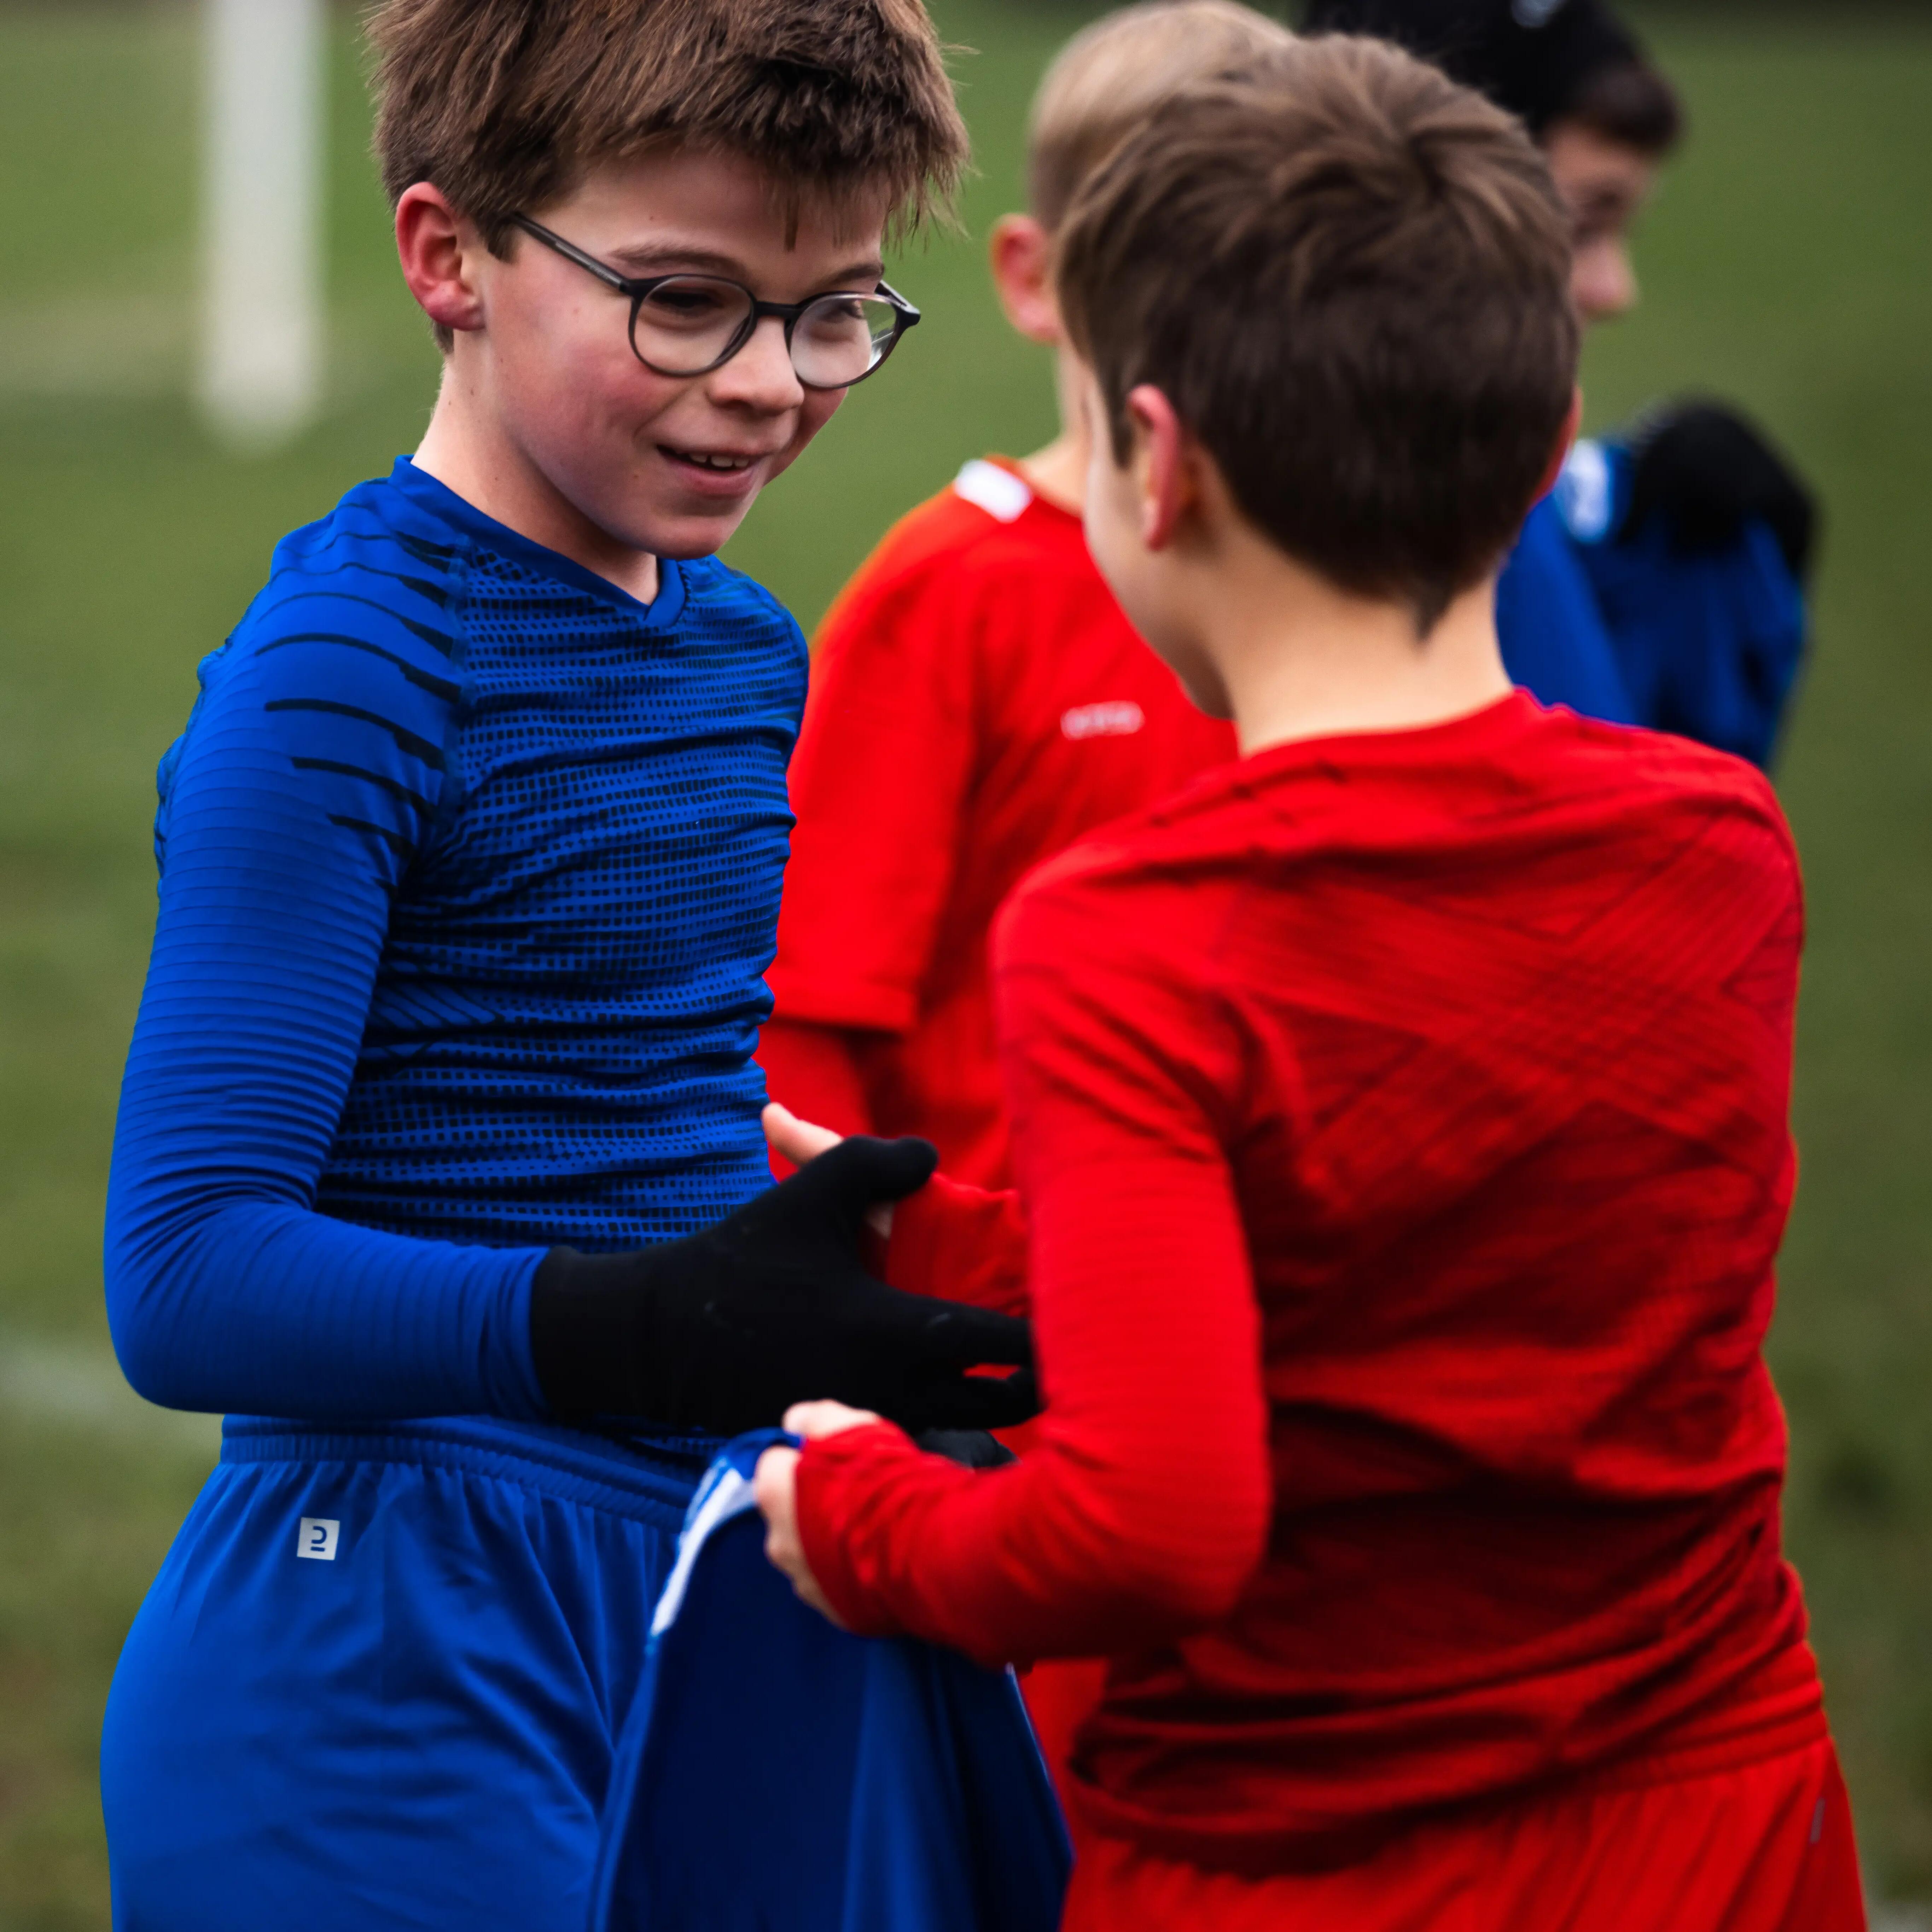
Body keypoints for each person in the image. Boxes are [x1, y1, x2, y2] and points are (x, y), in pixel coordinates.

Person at [755, 38, 1867, 1931]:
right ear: (1537, 453)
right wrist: (948, 1241)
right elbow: (1426, 1255)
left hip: (1311, 1861)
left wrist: (858, 1518)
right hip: (1730, 1826)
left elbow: (1150, 1518)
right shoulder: (1718, 843)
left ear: (1153, 463)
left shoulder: (1129, 935)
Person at [95, 4, 1036, 1927]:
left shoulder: (740, 646)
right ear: (449, 254)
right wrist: (632, 1320)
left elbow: (635, 1107)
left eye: (835, 309)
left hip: (690, 1589)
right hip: (381, 1657)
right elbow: (183, 1274)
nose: (771, 382)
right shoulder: (348, 674)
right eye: (684, 300)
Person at [757, 0, 1289, 1811]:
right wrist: (891, 1334)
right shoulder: (948, 595)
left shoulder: (1330, 591)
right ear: (1035, 275)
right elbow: (813, 1025)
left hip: (1288, 1360)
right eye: (1173, 249)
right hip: (1015, 1380)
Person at [1305, 0, 1818, 765]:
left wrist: (1663, 542)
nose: (1613, 289)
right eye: (1581, 224)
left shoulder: (1499, 507)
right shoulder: (1407, 539)